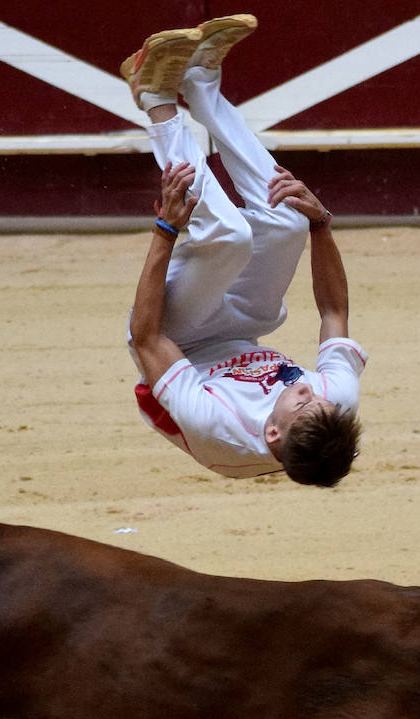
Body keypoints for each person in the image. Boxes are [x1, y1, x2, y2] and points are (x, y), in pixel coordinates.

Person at [121, 14, 365, 486]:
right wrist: (321, 224)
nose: (310, 392)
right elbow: (334, 311)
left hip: (176, 344)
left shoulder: (218, 426)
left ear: (271, 432)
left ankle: (154, 100)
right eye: (321, 400)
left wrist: (165, 231)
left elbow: (146, 337)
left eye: (302, 404)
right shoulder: (332, 406)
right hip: (240, 333)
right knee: (289, 220)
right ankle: (201, 84)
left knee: (229, 237)